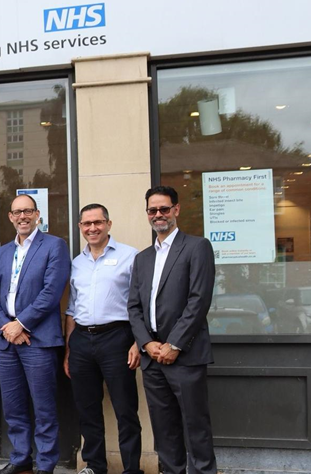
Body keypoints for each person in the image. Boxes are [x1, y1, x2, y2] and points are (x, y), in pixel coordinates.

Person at [127, 186, 217, 474]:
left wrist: (174, 344)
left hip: (185, 356)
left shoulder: (197, 247)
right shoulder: (142, 258)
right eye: (152, 210)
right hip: (153, 358)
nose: (158, 215)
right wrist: (146, 344)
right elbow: (134, 308)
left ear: (176, 209)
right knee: (164, 432)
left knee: (196, 428)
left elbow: (199, 300)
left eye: (164, 209)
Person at [0, 194, 70, 474]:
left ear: (37, 215)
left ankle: (45, 464)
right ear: (10, 217)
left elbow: (51, 292)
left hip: (38, 340)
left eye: (28, 211)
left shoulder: (55, 246)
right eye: (17, 212)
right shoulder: (1, 253)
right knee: (13, 407)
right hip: (6, 341)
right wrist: (7, 327)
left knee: (44, 407)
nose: (22, 216)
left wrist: (20, 324)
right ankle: (20, 458)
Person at [64, 204, 142, 474]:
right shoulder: (77, 262)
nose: (92, 228)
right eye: (86, 224)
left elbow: (140, 304)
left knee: (125, 410)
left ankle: (132, 469)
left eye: (98, 222)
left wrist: (138, 343)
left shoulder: (130, 256)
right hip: (82, 340)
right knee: (87, 410)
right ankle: (95, 466)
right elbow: (72, 309)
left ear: (109, 224)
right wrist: (68, 351)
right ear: (80, 228)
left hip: (117, 338)